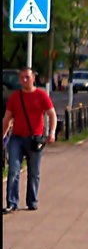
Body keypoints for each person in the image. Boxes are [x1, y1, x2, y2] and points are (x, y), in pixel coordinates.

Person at [2, 66, 58, 214]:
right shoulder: (15, 97)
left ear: (33, 78)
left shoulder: (41, 95)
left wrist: (52, 132)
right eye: (22, 77)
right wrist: (2, 136)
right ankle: (11, 203)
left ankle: (32, 201)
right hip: (16, 139)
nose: (24, 80)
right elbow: (7, 118)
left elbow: (52, 115)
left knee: (34, 172)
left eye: (27, 77)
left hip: (35, 139)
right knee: (13, 170)